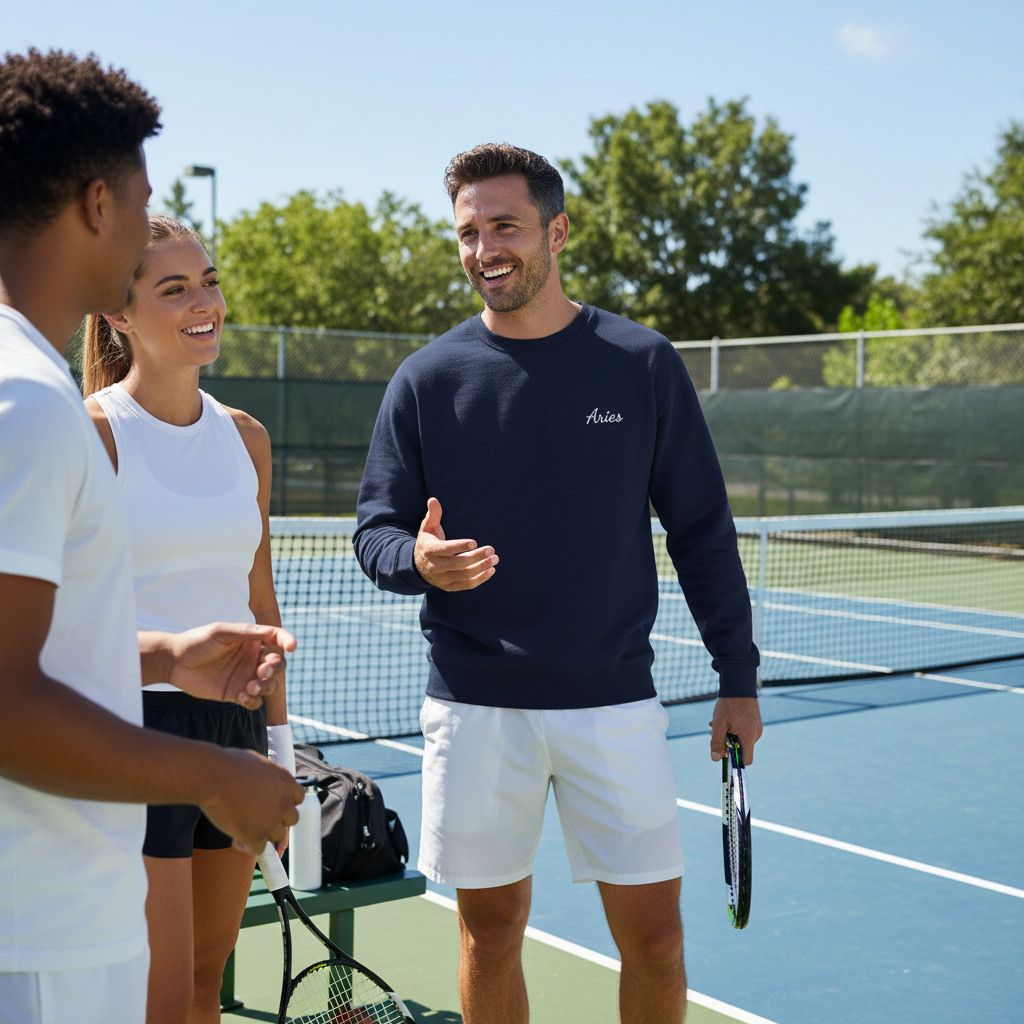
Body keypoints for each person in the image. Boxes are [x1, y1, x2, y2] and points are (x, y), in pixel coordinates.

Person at [353, 143, 764, 1024]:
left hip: (613, 703)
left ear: (558, 231)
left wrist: (738, 678)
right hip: (474, 706)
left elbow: (701, 530)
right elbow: (375, 532)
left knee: (654, 940)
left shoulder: (641, 362)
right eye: (467, 231)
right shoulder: (425, 379)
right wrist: (416, 562)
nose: (483, 248)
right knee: (490, 934)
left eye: (504, 225)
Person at [0, 49, 302, 1024]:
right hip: (43, 923)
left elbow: (40, 652)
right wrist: (215, 773)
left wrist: (169, 655)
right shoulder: (37, 406)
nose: (145, 226)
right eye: (141, 202)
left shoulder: (26, 389)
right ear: (98, 205)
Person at [81, 214, 295, 1024]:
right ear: (119, 312)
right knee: (157, 998)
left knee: (204, 980)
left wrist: (280, 757)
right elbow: (53, 634)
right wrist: (169, 658)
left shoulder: (247, 438)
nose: (205, 300)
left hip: (236, 737)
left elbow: (261, 607)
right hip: (132, 735)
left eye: (208, 280)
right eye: (174, 288)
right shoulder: (92, 435)